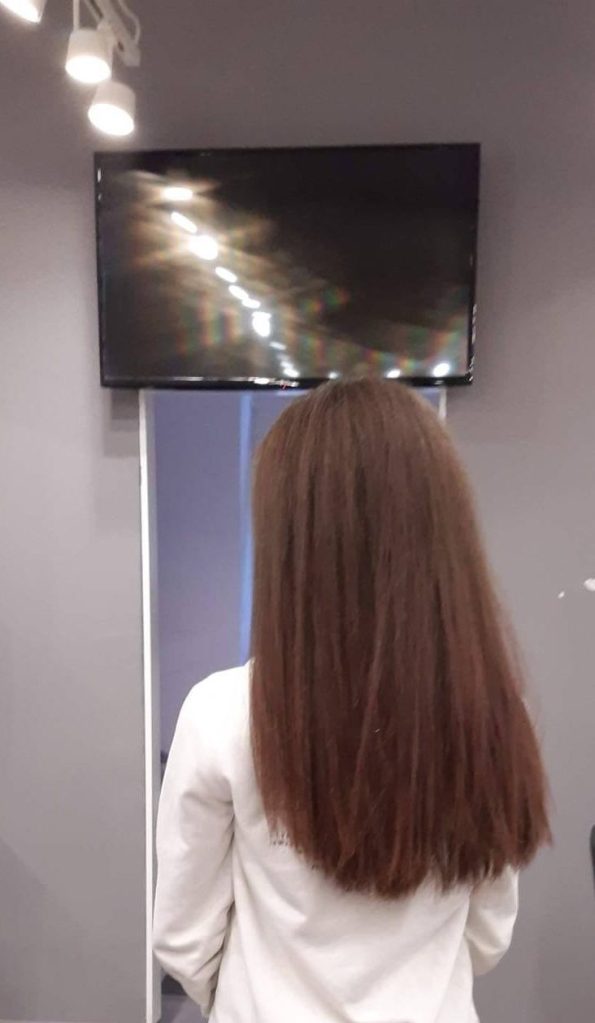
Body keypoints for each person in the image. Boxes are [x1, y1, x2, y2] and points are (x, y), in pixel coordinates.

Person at [153, 378, 550, 1023]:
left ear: (289, 542)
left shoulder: (221, 712)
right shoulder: (495, 716)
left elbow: (183, 938)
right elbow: (486, 936)